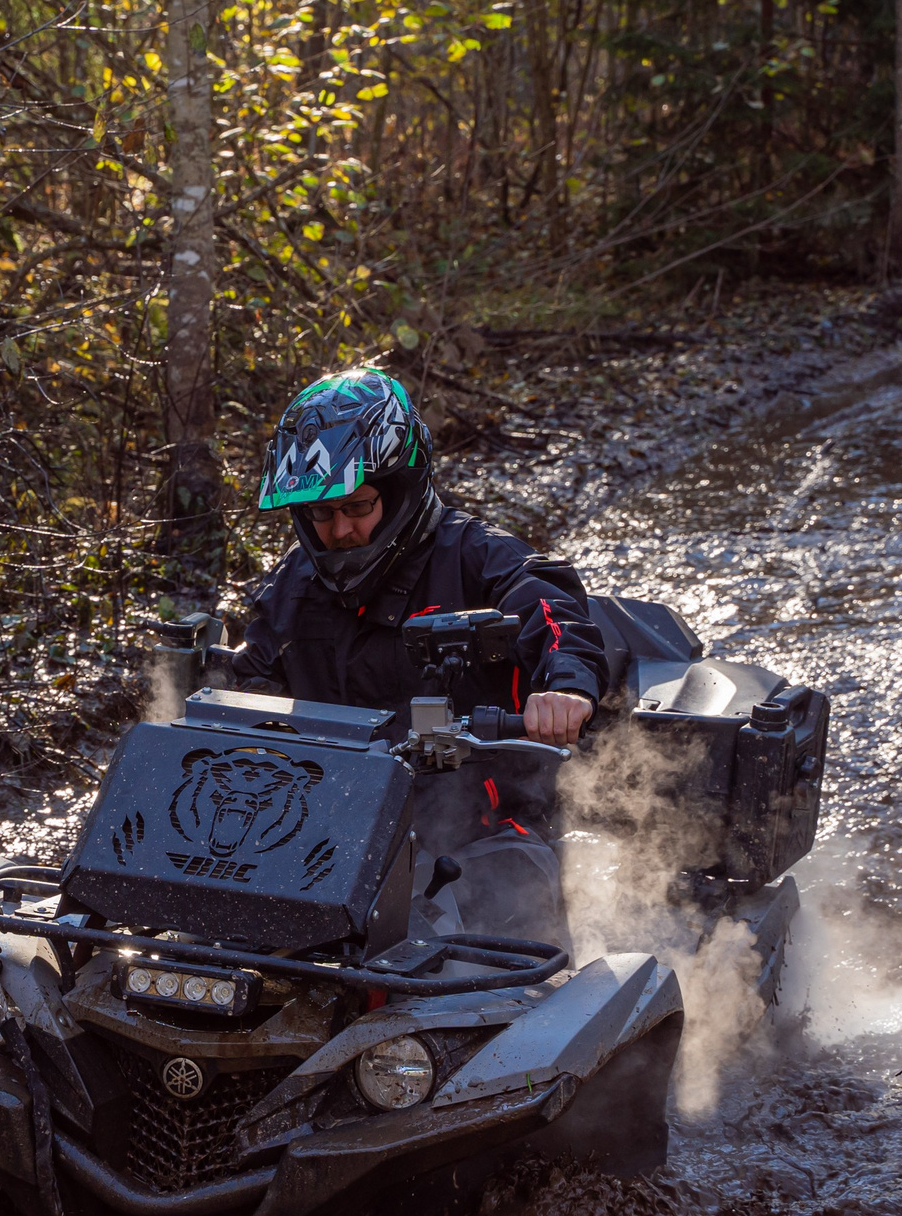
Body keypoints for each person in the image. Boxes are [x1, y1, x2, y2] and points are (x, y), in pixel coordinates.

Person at [226, 367, 626, 943]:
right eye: (320, 512)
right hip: (329, 831)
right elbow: (246, 685)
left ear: (400, 488)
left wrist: (565, 688)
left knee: (498, 923)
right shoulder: (292, 587)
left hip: (484, 827)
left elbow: (554, 612)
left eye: (358, 506)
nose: (340, 529)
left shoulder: (478, 557)